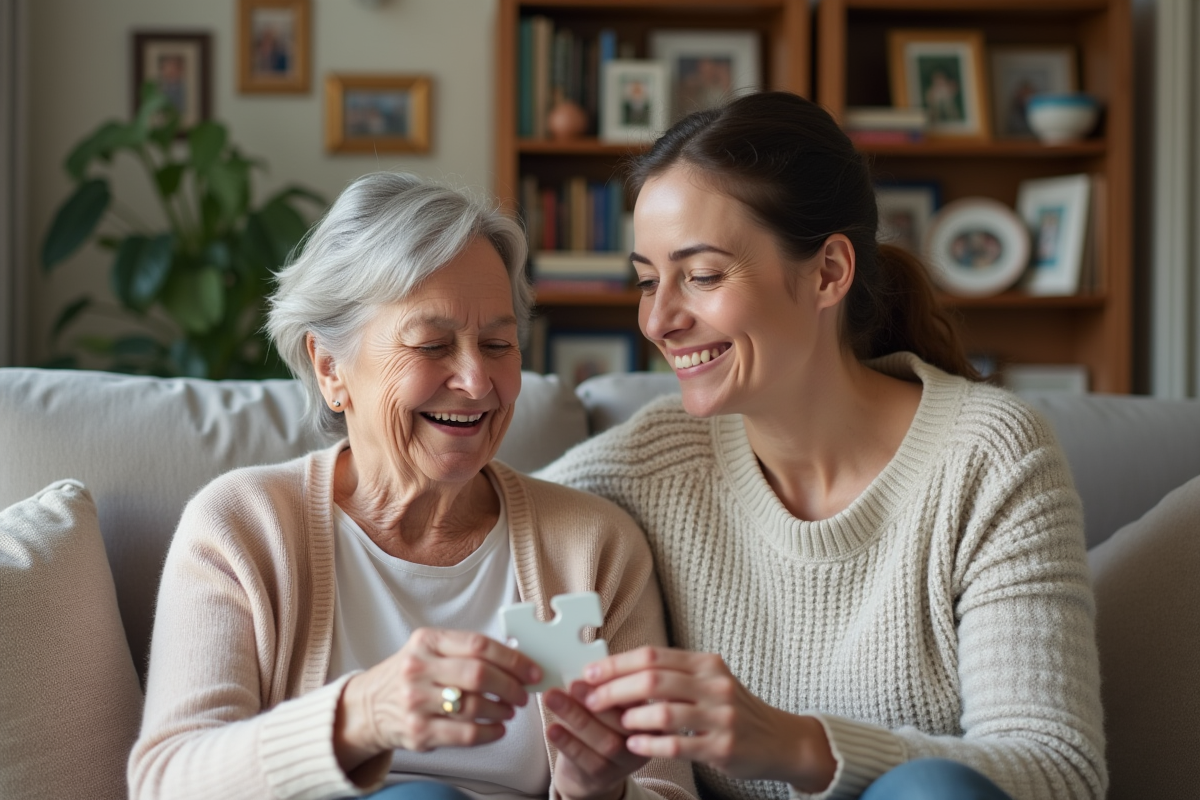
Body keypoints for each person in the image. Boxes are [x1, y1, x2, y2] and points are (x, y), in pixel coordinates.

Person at [537, 92, 1106, 800]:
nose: (658, 320)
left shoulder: (987, 456)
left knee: (934, 791)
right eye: (648, 281)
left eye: (703, 276)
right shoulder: (645, 463)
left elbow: (1060, 771)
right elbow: (459, 516)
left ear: (829, 271)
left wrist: (792, 743)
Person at [128, 173, 697, 800]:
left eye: (497, 343)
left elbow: (665, 789)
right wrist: (361, 716)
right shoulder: (242, 529)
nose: (478, 381)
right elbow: (166, 782)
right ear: (330, 367)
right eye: (431, 344)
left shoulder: (594, 548)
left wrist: (601, 791)